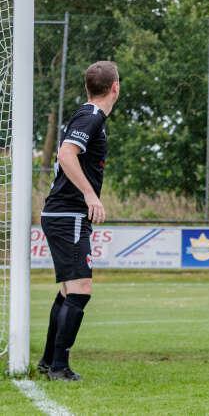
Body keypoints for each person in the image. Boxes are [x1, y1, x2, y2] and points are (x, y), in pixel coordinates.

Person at [38, 61, 120, 381]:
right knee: (81, 290)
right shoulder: (92, 117)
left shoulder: (85, 114)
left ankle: (49, 362)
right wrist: (90, 195)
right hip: (68, 212)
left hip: (64, 213)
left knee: (68, 291)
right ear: (115, 87)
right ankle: (59, 366)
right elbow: (66, 154)